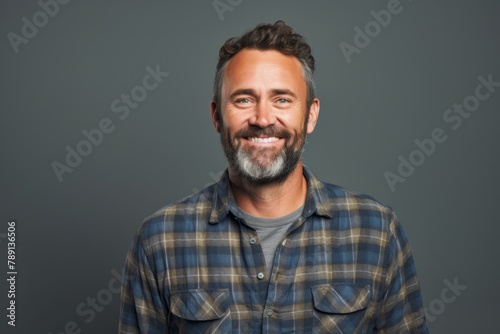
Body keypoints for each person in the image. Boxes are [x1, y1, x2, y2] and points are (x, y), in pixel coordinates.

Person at [118, 21, 429, 333]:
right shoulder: (160, 240)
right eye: (244, 99)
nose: (262, 119)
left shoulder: (376, 233)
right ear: (217, 116)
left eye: (282, 99)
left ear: (310, 115)